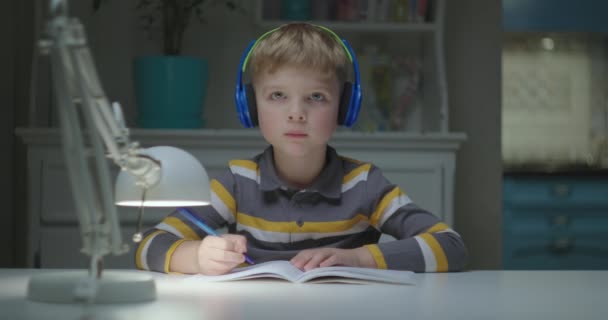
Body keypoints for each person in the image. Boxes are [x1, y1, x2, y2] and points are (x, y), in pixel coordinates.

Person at [135, 23, 467, 275]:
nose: (297, 112)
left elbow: (451, 246)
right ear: (251, 106)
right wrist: (197, 256)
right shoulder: (236, 183)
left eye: (316, 97)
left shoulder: (365, 184)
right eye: (278, 95)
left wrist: (358, 258)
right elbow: (148, 245)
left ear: (344, 107)